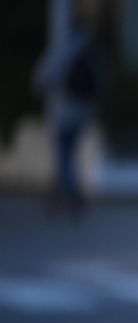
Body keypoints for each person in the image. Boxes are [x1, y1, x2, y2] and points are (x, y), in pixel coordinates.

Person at [34, 18, 103, 218]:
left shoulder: (65, 50)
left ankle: (71, 192)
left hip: (66, 108)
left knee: (63, 154)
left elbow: (44, 77)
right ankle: (63, 191)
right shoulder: (91, 51)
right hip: (85, 110)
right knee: (70, 152)